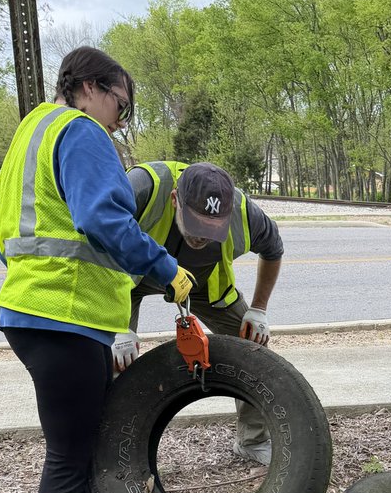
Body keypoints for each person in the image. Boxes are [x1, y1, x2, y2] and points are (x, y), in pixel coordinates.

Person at [0, 46, 195, 493]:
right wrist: (165, 269)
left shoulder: (31, 133)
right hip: (62, 315)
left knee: (94, 446)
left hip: (44, 312)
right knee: (69, 458)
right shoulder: (80, 132)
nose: (120, 119)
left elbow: (9, 239)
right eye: (120, 103)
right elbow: (106, 221)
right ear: (87, 87)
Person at [114, 160, 284, 465]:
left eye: (211, 228)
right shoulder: (143, 187)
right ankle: (114, 448)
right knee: (114, 356)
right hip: (133, 279)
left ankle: (252, 440)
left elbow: (273, 249)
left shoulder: (244, 212)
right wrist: (115, 325)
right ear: (175, 199)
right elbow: (96, 237)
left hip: (204, 285)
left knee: (254, 349)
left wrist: (258, 309)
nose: (201, 236)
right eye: (195, 224)